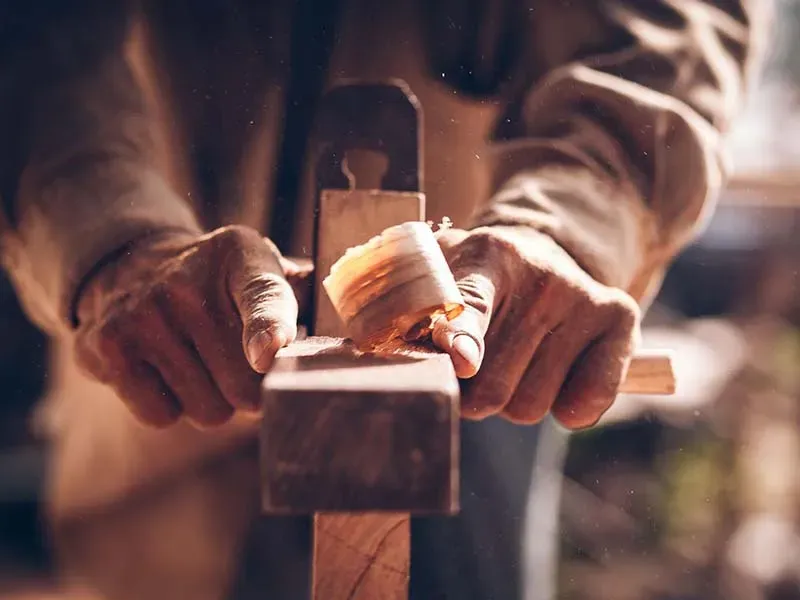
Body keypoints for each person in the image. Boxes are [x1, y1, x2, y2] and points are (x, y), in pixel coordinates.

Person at [0, 1, 767, 598]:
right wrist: (104, 236)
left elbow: (664, 31)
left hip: (482, 364)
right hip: (170, 358)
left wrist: (571, 221)